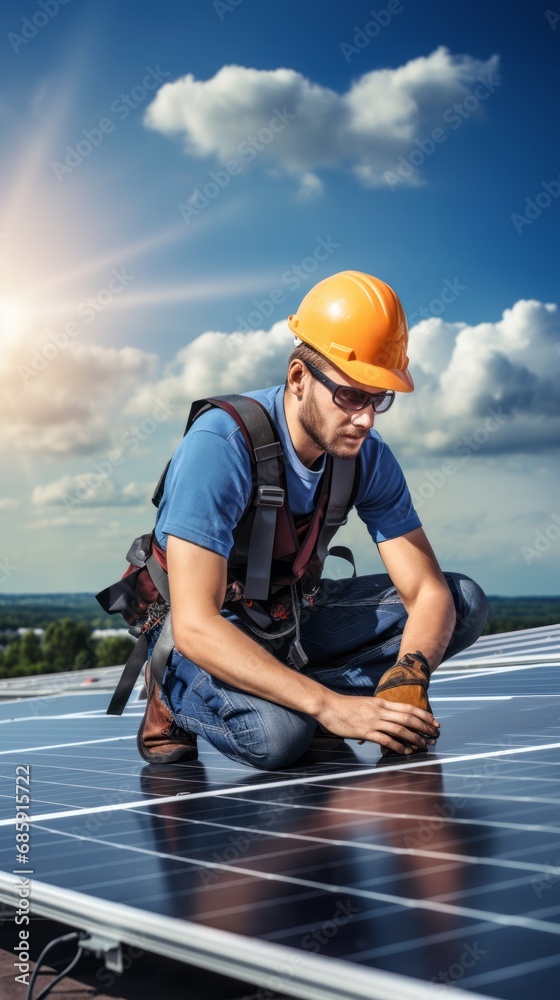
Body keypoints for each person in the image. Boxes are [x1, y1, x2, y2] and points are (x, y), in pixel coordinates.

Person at [137, 270, 490, 769]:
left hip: (289, 620)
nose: (366, 418)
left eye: (379, 398)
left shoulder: (367, 456)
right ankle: (173, 696)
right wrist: (333, 708)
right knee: (279, 738)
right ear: (299, 378)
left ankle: (295, 692)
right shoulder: (221, 445)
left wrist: (408, 672)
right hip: (204, 632)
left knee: (462, 602)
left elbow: (426, 591)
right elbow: (196, 623)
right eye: (351, 395)